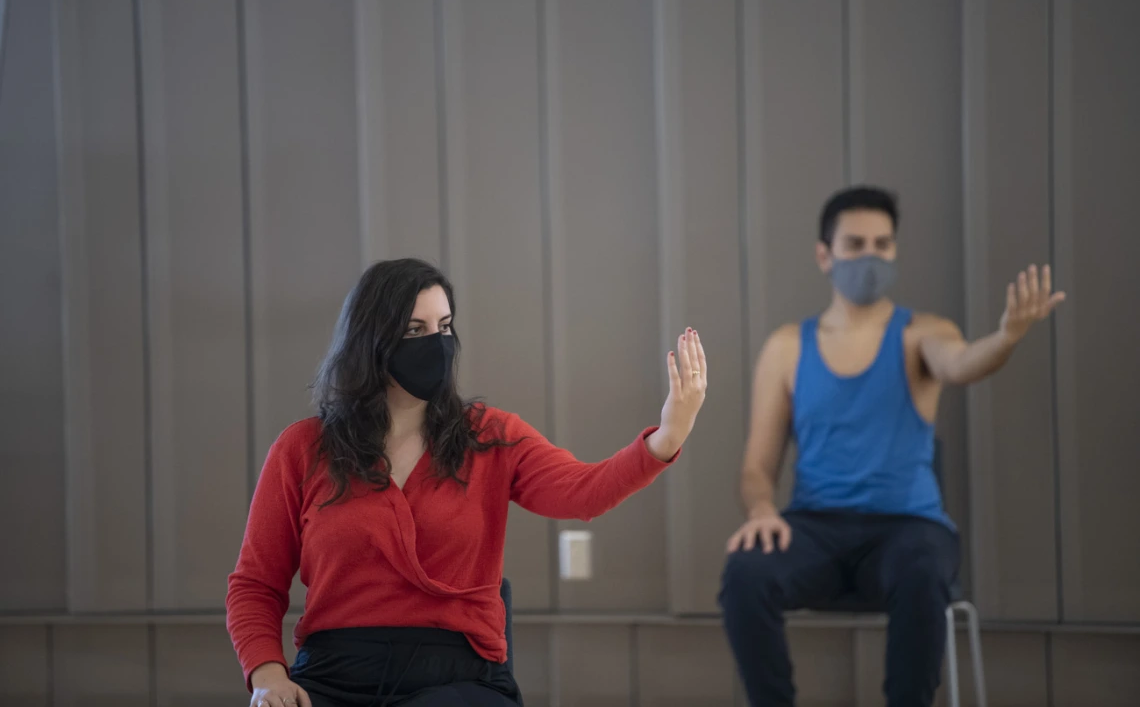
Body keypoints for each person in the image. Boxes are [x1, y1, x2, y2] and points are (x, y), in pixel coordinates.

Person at [227, 258, 708, 707]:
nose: (435, 343)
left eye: (444, 327)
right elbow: (255, 584)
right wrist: (267, 675)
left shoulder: (491, 435)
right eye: (414, 330)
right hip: (334, 672)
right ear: (370, 339)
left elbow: (583, 492)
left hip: (459, 678)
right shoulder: (303, 448)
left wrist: (667, 437)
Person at [718, 186, 1064, 707]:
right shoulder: (787, 347)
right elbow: (756, 466)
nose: (870, 257)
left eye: (882, 244)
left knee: (923, 571)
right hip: (816, 528)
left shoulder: (921, 333)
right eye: (855, 244)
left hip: (908, 529)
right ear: (824, 254)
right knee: (745, 574)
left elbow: (964, 363)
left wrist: (1007, 337)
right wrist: (762, 508)